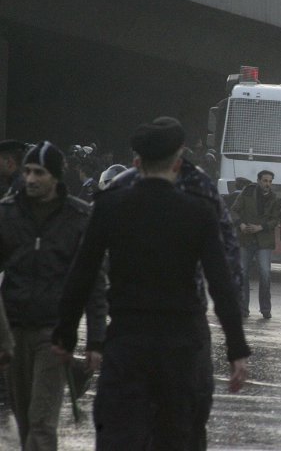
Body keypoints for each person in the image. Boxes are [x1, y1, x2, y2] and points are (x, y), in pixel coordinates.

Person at [51, 117, 249, 449]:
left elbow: (83, 272)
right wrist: (237, 349)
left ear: (136, 161)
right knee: (181, 431)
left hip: (128, 337)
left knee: (120, 431)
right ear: (178, 160)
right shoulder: (199, 208)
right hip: (183, 340)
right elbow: (222, 280)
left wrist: (65, 334)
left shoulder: (110, 204)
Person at [0, 141, 107, 450]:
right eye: (28, 171)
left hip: (55, 333)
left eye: (40, 173)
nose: (31, 179)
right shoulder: (7, 213)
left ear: (56, 177)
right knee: (23, 423)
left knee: (41, 422)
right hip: (13, 332)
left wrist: (95, 341)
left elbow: (94, 282)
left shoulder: (79, 217)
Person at [231, 169, 281, 319]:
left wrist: (261, 227)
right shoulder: (247, 193)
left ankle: (265, 309)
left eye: (270, 181)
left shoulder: (274, 198)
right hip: (246, 238)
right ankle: (242, 308)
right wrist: (240, 224)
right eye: (265, 181)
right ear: (259, 181)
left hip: (264, 240)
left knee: (265, 274)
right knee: (243, 274)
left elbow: (275, 219)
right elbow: (234, 210)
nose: (268, 184)